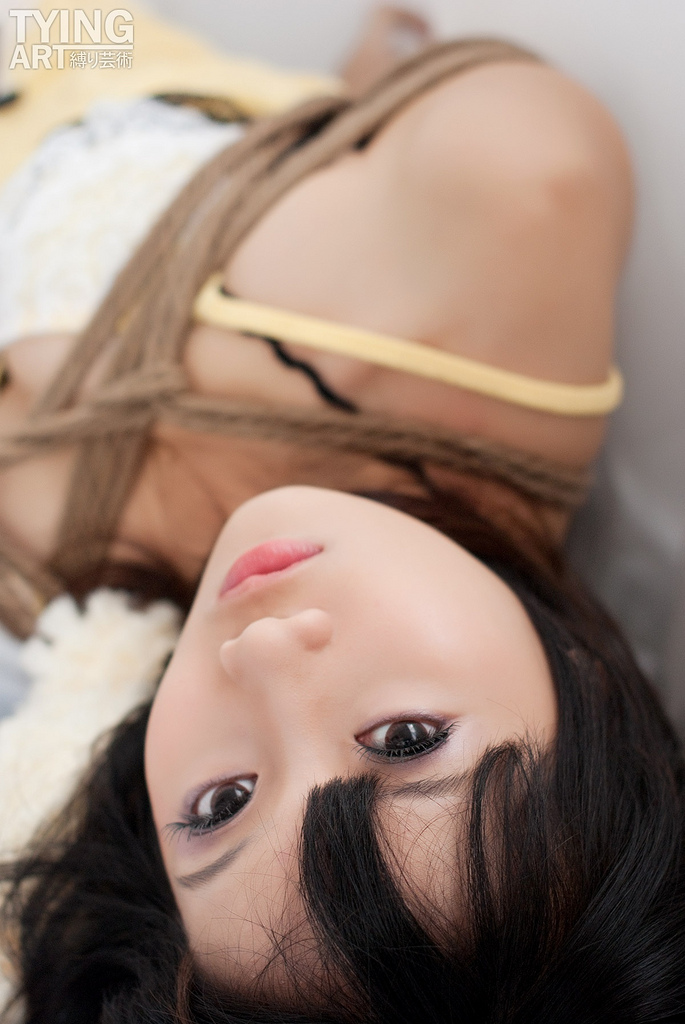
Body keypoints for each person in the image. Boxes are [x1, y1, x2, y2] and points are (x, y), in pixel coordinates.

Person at [2, 6, 680, 1023]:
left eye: (223, 804)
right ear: (592, 701)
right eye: (405, 738)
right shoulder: (519, 203)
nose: (262, 655)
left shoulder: (64, 656)